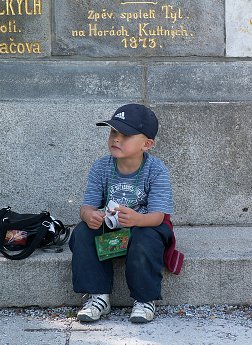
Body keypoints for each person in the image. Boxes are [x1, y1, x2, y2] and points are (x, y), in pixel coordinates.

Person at [69, 103, 182, 323]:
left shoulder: (156, 170)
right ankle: (98, 296)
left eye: (126, 134)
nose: (116, 139)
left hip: (142, 232)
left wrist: (138, 219)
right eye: (113, 132)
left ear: (147, 144)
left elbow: (158, 216)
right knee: (82, 232)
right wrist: (89, 216)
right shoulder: (102, 167)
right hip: (114, 235)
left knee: (147, 234)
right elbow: (87, 206)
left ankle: (144, 299)